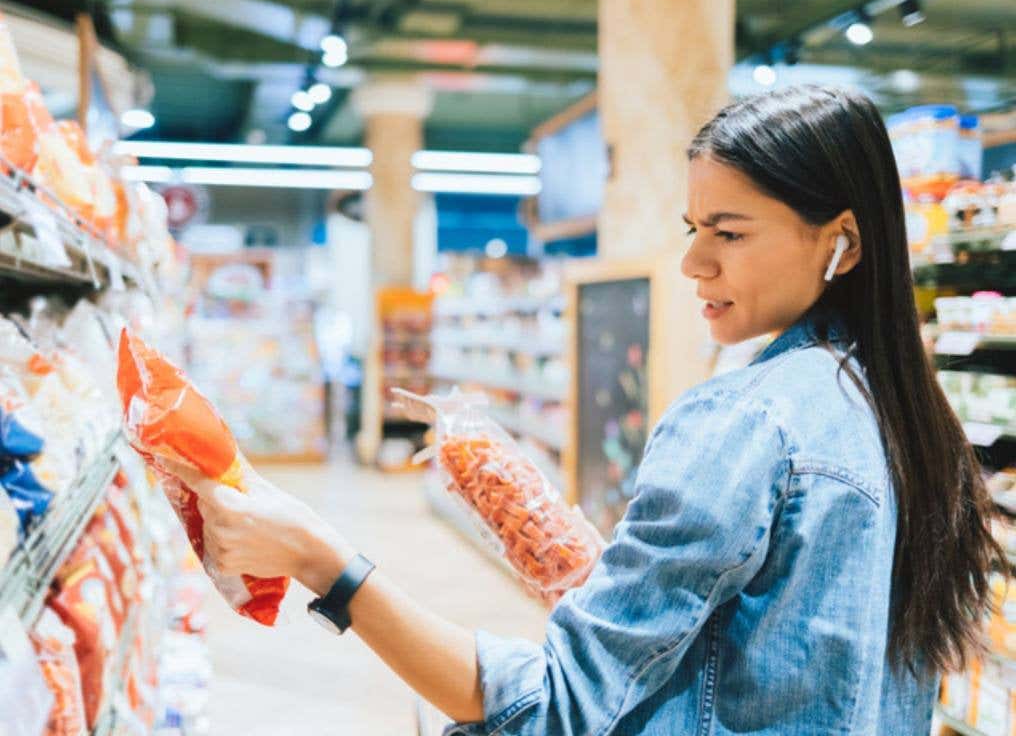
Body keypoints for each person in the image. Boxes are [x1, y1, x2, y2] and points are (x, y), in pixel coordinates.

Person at [188, 85, 1004, 735]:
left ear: (845, 243)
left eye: (729, 232)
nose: (691, 261)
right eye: (692, 227)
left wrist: (324, 560)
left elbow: (556, 711)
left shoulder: (744, 424)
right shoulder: (908, 417)